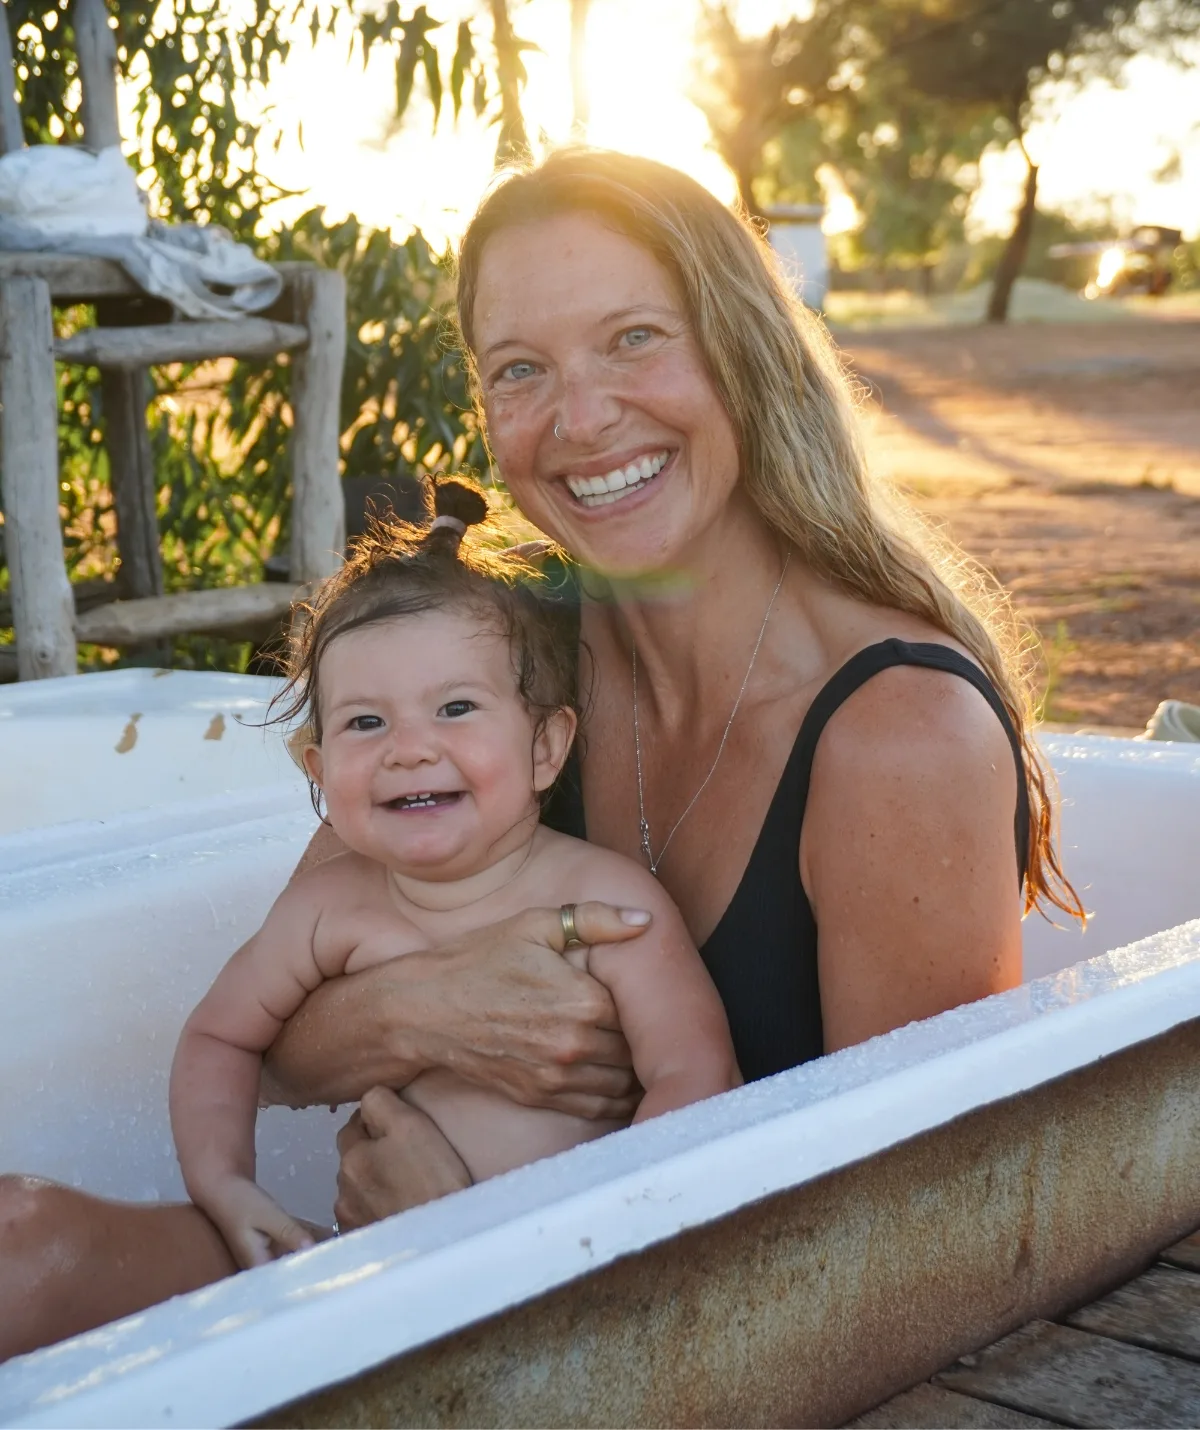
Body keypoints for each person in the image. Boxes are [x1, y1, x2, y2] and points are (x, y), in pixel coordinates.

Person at [0, 146, 1081, 1361]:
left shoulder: (899, 733)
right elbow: (286, 1037)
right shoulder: (500, 650)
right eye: (521, 368)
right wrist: (439, 1009)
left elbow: (923, 1249)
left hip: (687, 1346)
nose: (580, 418)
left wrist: (493, 1237)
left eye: (634, 339)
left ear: (745, 351)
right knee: (19, 1245)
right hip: (408, 1274)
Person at [170, 476, 738, 1269]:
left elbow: (698, 1076)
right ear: (320, 771)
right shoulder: (326, 910)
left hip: (578, 1268)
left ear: (545, 748)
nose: (409, 748)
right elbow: (217, 1039)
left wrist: (613, 1230)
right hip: (386, 1269)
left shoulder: (607, 902)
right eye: (366, 721)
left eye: (456, 709)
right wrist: (225, 1184)